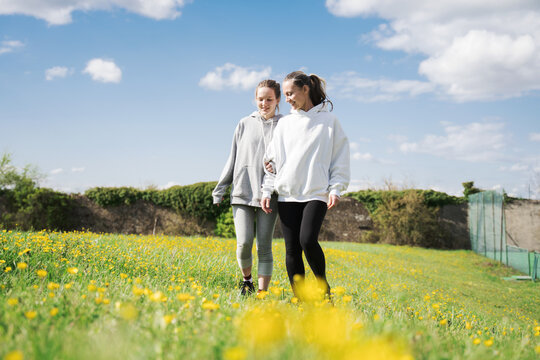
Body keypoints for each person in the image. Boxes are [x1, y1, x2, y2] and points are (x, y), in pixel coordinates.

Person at [260, 71, 350, 298]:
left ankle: (323, 291)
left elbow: (339, 157)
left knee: (307, 240)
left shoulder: (329, 122)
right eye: (286, 94)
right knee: (292, 249)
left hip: (316, 192)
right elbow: (272, 161)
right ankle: (300, 299)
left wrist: (336, 188)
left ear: (305, 89)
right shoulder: (285, 124)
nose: (287, 98)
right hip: (288, 194)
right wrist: (267, 189)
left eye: (290, 93)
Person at [213, 79, 281, 296]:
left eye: (269, 99)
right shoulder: (243, 123)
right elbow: (232, 158)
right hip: (242, 191)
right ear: (255, 99)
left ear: (278, 100)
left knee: (264, 246)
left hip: (270, 195)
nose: (264, 103)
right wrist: (220, 188)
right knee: (243, 243)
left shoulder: (285, 125)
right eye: (260, 99)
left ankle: (262, 293)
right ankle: (247, 281)